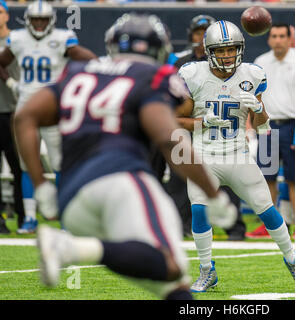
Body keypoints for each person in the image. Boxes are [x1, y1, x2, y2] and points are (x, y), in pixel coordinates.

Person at [14, 13, 237, 300]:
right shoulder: (152, 75)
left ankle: (78, 245)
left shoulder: (78, 72)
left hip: (72, 200)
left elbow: (25, 118)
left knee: (173, 286)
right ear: (159, 48)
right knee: (173, 265)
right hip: (119, 180)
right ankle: (68, 248)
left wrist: (41, 183)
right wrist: (213, 194)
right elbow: (169, 139)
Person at [176, 20, 295, 293]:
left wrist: (259, 107)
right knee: (199, 210)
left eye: (232, 50)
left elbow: (263, 126)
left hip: (237, 154)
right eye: (222, 50)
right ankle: (206, 270)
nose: (227, 56)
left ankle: (293, 259)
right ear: (208, 50)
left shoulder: (252, 75)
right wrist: (203, 121)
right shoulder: (193, 75)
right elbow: (177, 119)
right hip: (203, 155)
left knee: (267, 210)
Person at [0, 0, 97, 234]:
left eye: (44, 20)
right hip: (25, 107)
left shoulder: (63, 38)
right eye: (36, 20)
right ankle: (30, 219)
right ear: (28, 20)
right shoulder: (19, 39)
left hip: (53, 108)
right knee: (25, 166)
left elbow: (84, 56)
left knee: (59, 164)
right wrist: (12, 82)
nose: (40, 24)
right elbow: (1, 62)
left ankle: (65, 217)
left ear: (52, 20)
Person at [159, 14, 247, 240]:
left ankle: (234, 226)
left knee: (227, 173)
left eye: (205, 32)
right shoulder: (180, 63)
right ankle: (182, 224)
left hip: (220, 128)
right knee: (181, 174)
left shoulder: (230, 61)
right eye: (198, 32)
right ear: (192, 35)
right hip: (188, 127)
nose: (201, 37)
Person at [247, 23, 295, 240]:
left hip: (291, 125)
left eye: (281, 36)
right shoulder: (260, 63)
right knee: (267, 178)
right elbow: (254, 98)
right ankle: (269, 225)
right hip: (267, 127)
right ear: (269, 39)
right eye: (274, 36)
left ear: (289, 39)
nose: (277, 40)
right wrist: (251, 125)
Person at [0, 0, 25, 234]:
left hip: (15, 110)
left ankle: (23, 216)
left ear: (7, 15)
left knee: (20, 167)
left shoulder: (17, 40)